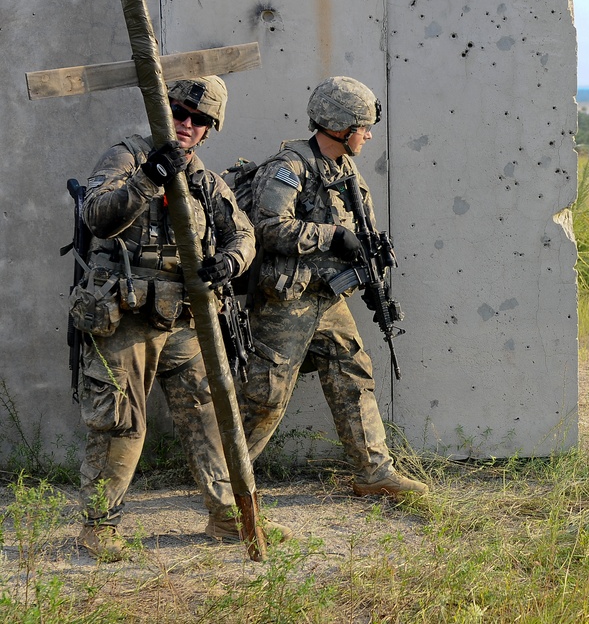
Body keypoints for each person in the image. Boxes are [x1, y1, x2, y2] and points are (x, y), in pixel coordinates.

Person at [73, 75, 289, 561]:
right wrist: (149, 174)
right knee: (120, 419)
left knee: (209, 415)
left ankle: (228, 517)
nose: (186, 125)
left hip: (185, 318)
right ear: (162, 109)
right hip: (126, 314)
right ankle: (98, 527)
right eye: (179, 113)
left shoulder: (205, 180)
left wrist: (228, 263)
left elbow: (245, 235)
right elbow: (98, 218)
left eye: (199, 120)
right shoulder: (127, 156)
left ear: (211, 129)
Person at [240, 76, 427, 498]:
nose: (368, 134)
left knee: (352, 374)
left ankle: (374, 473)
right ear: (341, 126)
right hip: (286, 300)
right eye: (363, 126)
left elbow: (358, 227)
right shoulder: (288, 167)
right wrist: (330, 236)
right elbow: (264, 227)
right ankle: (227, 480)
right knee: (266, 394)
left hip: (325, 297)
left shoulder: (344, 168)